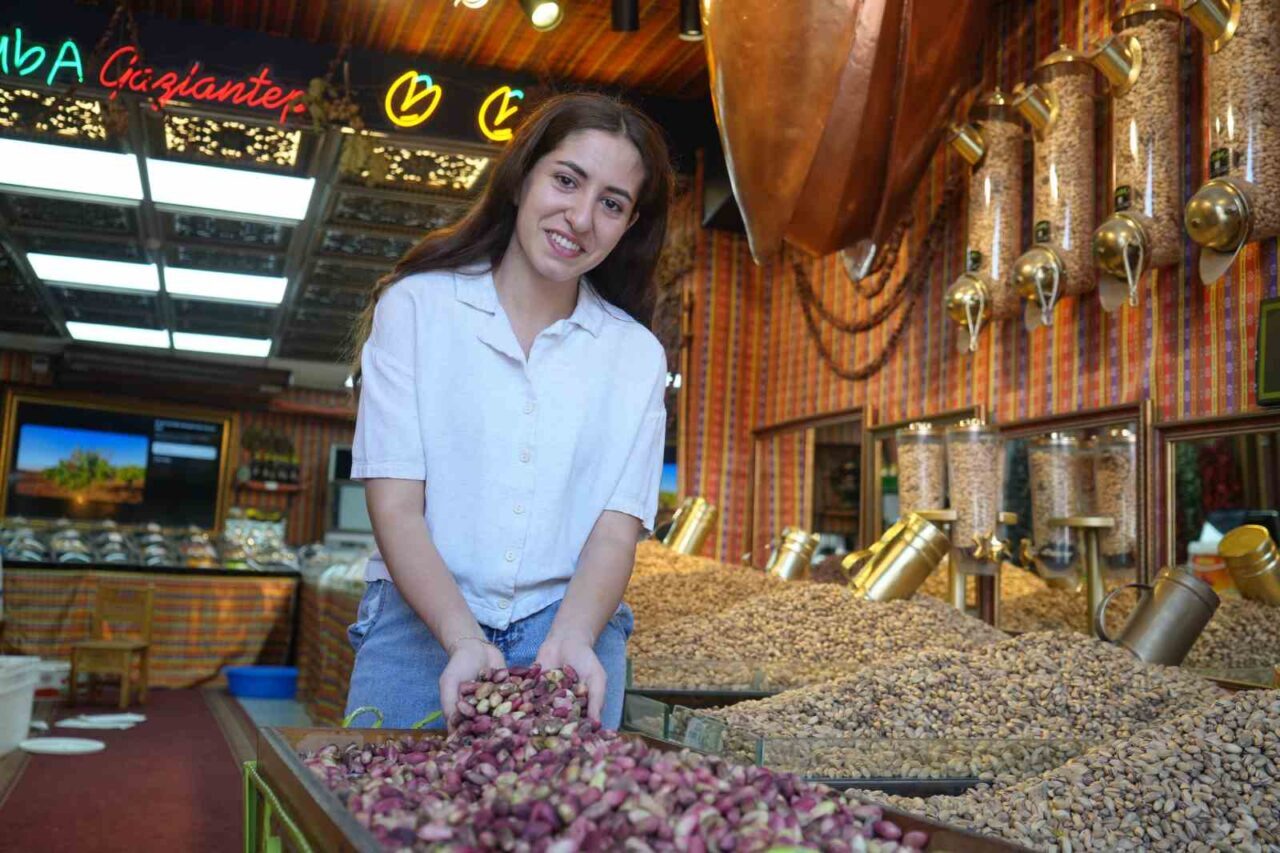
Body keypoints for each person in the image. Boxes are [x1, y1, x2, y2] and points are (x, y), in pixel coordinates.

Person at [343, 92, 673, 731]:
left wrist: (575, 636)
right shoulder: (416, 310)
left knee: (565, 827)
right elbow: (396, 508)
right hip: (421, 618)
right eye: (566, 180)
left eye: (612, 203)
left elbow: (615, 529)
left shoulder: (636, 356)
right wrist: (463, 639)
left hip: (571, 622)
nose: (580, 217)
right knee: (373, 820)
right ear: (523, 177)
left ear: (630, 225)